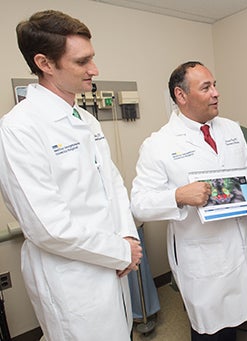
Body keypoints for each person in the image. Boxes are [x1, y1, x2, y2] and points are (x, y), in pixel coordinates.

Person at [0, 10, 142, 340]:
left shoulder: (85, 120)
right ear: (45, 64)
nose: (94, 70)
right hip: (72, 275)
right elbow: (47, 226)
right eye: (82, 62)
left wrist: (128, 239)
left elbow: (113, 184)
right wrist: (119, 251)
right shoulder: (18, 129)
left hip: (112, 259)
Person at [130, 61, 247, 340]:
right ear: (181, 96)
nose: (216, 93)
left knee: (234, 320)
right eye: (206, 87)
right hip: (200, 253)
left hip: (237, 242)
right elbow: (139, 203)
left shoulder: (232, 130)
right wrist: (178, 196)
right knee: (208, 329)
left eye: (215, 85)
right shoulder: (159, 144)